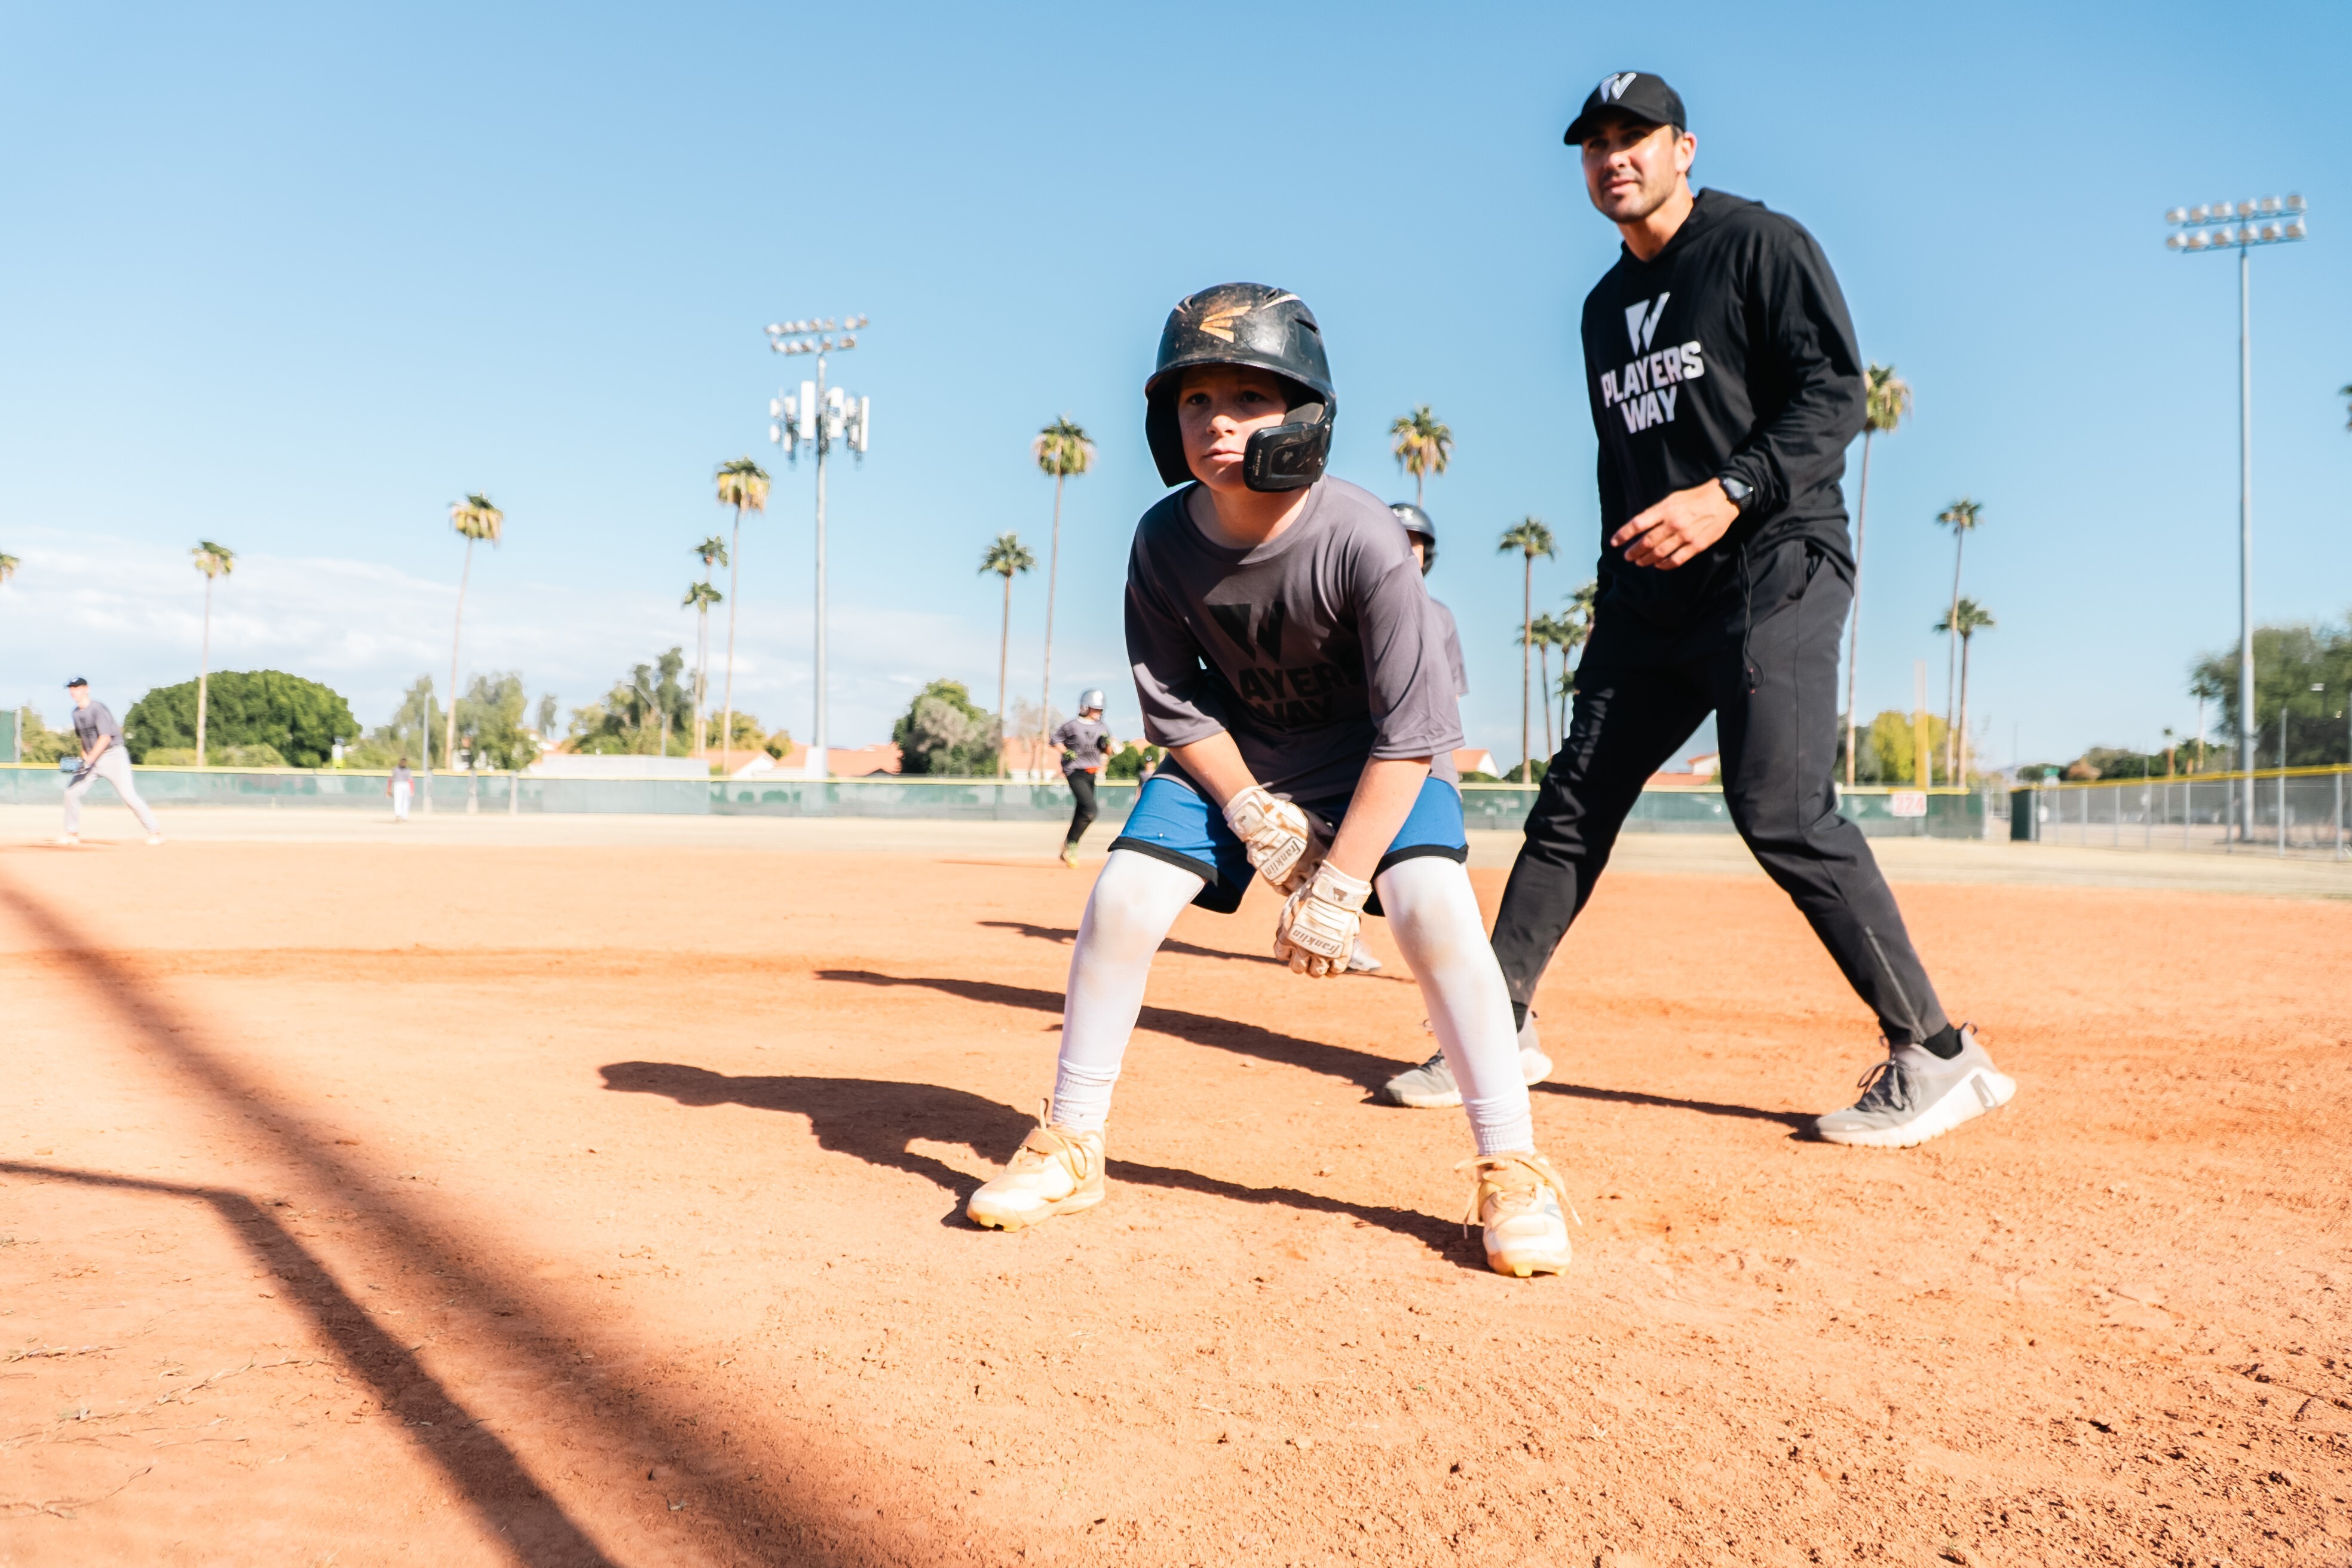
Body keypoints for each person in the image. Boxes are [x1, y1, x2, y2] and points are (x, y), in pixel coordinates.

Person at [1391, 73, 2014, 1148]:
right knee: (1572, 801)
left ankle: (1938, 1052)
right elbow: (1624, 461)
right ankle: (1494, 1027)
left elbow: (1836, 395)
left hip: (1775, 562)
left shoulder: (1759, 245)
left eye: (1634, 138)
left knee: (1780, 807)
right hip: (1649, 593)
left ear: (1684, 148)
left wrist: (1727, 493)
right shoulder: (1600, 308)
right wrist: (1610, 590)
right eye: (1593, 144)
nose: (1612, 157)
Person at [964, 283, 1575, 1276]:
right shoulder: (1163, 539)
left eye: (1247, 397)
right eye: (1195, 399)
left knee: (1430, 906)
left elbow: (1414, 730)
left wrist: (1338, 884)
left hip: (1376, 753)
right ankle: (1073, 1142)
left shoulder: (1363, 536)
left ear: (1304, 415)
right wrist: (1247, 809)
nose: (1215, 421)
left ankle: (1512, 1161)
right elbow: (1173, 705)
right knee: (1121, 897)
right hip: (1239, 751)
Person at [1375, 505, 1557, 1089]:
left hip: (1421, 764)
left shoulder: (1438, 614)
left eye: (1417, 542)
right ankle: (1508, 1034)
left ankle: (1505, 1038)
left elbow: (1442, 699)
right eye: (1395, 539)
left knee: (1437, 903)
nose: (1406, 549)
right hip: (1357, 765)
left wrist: (1427, 765)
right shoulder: (1350, 601)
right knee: (1414, 904)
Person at [59, 677, 161, 846]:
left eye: (77, 687)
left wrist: (90, 759)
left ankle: (155, 832)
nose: (73, 691)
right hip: (92, 759)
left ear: (87, 689)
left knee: (128, 795)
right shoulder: (76, 713)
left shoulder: (97, 708)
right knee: (71, 793)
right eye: (71, 688)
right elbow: (84, 739)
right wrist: (84, 756)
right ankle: (72, 835)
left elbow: (105, 738)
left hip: (113, 756)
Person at [1050, 693, 1114, 868]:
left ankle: (1069, 845)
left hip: (1092, 772)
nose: (1099, 712)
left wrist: (1106, 744)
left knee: (1082, 811)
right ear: (1085, 707)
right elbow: (1054, 740)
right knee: (1090, 810)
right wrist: (1065, 751)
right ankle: (1071, 844)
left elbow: (1107, 752)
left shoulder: (1103, 727)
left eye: (1101, 709)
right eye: (1096, 708)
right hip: (1075, 771)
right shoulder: (1071, 726)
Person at [388, 757, 414, 822]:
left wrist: (389, 788)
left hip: (401, 785)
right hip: (402, 785)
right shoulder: (405, 770)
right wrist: (412, 789)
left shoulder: (397, 769)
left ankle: (400, 815)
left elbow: (391, 779)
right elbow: (411, 780)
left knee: (400, 800)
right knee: (403, 801)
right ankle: (402, 816)